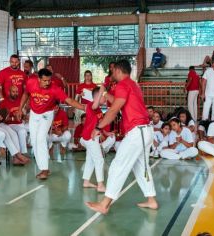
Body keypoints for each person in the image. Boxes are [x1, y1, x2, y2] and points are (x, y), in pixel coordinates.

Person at [86, 59, 158, 214]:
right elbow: (118, 102)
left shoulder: (122, 85)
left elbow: (112, 111)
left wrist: (98, 127)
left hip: (137, 132)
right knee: (141, 167)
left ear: (118, 71)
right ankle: (151, 200)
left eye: (113, 71)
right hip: (145, 131)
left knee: (118, 165)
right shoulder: (133, 85)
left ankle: (104, 204)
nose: (112, 74)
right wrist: (104, 92)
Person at [18, 68, 85, 180]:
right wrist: (20, 109)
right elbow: (25, 94)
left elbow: (69, 100)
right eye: (44, 81)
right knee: (34, 141)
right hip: (34, 114)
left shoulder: (55, 89)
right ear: (38, 79)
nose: (47, 83)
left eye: (49, 80)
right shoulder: (31, 82)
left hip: (47, 114)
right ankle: (43, 168)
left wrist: (84, 107)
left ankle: (44, 169)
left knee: (40, 138)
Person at [80, 87, 109, 192]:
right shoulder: (90, 106)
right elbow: (95, 105)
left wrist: (106, 133)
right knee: (99, 160)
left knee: (90, 160)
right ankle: (100, 185)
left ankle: (86, 181)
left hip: (92, 138)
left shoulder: (100, 110)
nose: (105, 99)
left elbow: (99, 125)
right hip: (89, 138)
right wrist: (101, 91)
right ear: (97, 97)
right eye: (103, 97)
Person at [0, 85, 28, 155]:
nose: (15, 93)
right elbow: (1, 119)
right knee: (22, 131)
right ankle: (20, 154)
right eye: (13, 92)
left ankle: (22, 153)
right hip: (9, 125)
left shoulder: (20, 101)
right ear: (9, 92)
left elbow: (23, 114)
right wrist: (13, 118)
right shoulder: (4, 102)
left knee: (24, 131)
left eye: (17, 92)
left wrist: (24, 116)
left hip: (20, 124)